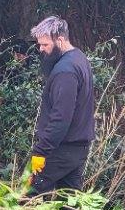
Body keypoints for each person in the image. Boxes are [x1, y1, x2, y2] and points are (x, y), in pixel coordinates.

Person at [26, 16, 96, 196]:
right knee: (69, 204)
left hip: (60, 149)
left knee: (25, 196)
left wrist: (41, 151)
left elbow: (61, 117)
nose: (41, 49)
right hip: (77, 148)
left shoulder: (66, 71)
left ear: (60, 40)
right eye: (39, 45)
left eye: (45, 45)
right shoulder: (79, 58)